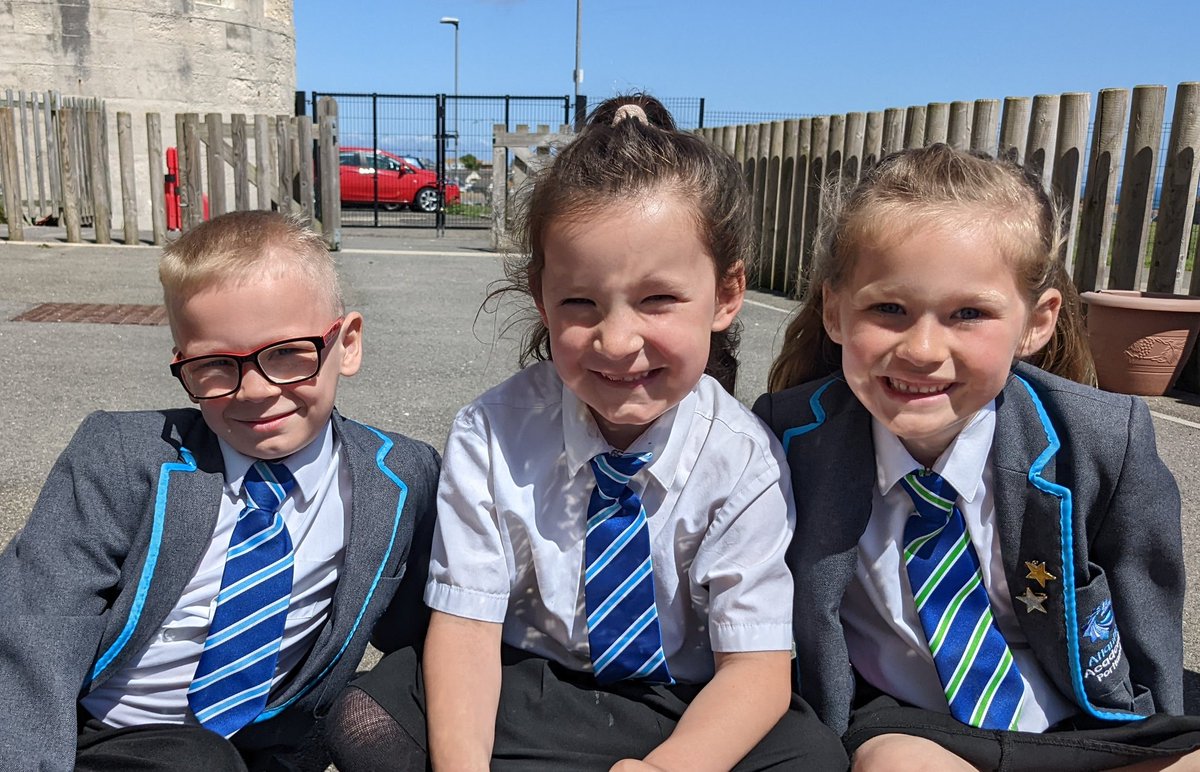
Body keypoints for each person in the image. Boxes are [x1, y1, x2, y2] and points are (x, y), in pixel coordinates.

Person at [324, 95, 848, 771]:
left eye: (658, 300)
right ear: (541, 296)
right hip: (533, 685)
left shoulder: (743, 459)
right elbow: (466, 629)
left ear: (725, 295)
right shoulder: (492, 432)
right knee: (367, 716)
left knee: (812, 757)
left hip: (685, 700)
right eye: (580, 302)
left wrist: (667, 768)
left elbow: (756, 669)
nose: (617, 341)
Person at [754, 143, 1200, 771]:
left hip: (1077, 719)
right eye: (888, 309)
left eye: (969, 313)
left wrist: (1160, 736)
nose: (923, 350)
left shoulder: (1102, 440)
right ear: (835, 310)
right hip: (910, 727)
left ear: (1036, 322)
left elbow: (1147, 617)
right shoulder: (789, 436)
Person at [0, 211, 440, 771]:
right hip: (104, 738)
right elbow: (34, 633)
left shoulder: (402, 475)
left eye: (287, 353)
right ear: (182, 362)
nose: (254, 391)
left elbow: (432, 626)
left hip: (268, 743)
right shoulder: (122, 456)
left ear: (347, 344)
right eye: (214, 365)